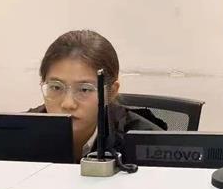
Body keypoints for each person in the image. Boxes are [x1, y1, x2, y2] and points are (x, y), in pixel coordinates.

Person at [30, 30, 164, 161]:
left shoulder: (148, 145)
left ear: (111, 92)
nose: (68, 104)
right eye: (56, 87)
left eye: (84, 89)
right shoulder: (21, 131)